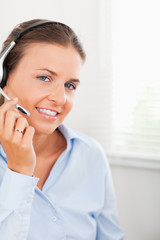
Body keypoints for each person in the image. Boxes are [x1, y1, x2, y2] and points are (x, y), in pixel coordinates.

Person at [0, 19, 125, 240]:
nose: (60, 99)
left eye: (70, 86)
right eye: (44, 78)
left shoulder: (90, 154)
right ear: (4, 78)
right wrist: (18, 172)